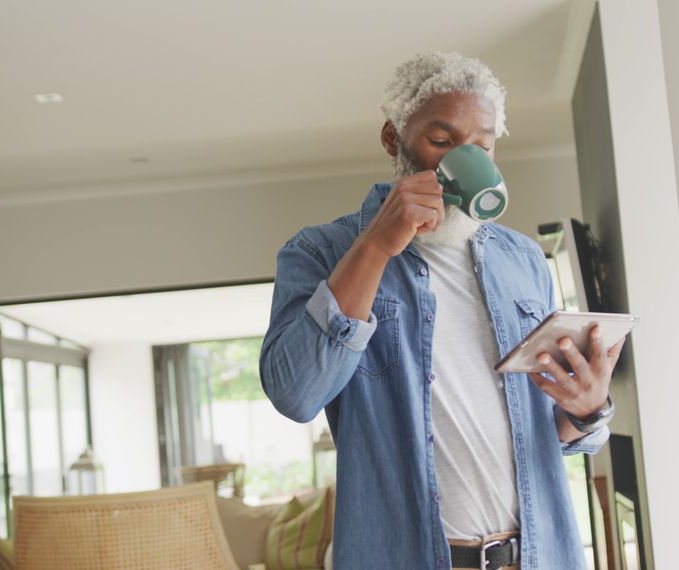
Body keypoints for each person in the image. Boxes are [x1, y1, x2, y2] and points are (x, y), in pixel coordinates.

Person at [260, 51, 625, 570]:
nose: (466, 158)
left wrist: (586, 407)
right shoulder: (321, 252)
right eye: (442, 141)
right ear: (394, 140)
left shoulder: (523, 259)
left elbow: (540, 432)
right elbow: (295, 393)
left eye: (482, 146)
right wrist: (375, 248)